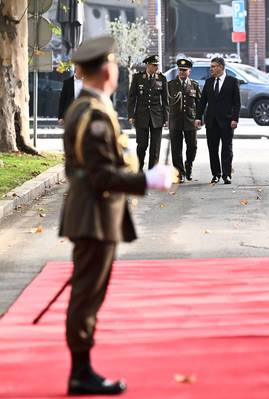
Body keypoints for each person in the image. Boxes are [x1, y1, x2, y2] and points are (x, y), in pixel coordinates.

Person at [59, 36, 173, 395]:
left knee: (89, 291)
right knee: (87, 295)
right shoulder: (92, 113)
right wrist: (147, 180)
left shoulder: (91, 106)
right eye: (115, 66)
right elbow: (101, 175)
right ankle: (80, 372)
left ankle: (82, 368)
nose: (118, 72)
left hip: (96, 213)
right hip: (93, 214)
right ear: (107, 71)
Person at [199, 57, 241, 185]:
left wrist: (235, 119)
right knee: (212, 149)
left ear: (221, 67)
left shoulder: (232, 81)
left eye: (214, 66)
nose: (211, 69)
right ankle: (215, 174)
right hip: (211, 122)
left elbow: (237, 103)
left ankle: (226, 174)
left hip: (227, 121)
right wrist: (197, 117)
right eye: (211, 66)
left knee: (227, 149)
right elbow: (202, 102)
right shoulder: (209, 82)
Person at [127, 55, 169, 171]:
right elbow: (132, 98)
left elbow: (165, 100)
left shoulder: (161, 78)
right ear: (148, 65)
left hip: (157, 116)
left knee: (155, 147)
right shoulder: (138, 78)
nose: (156, 67)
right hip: (141, 116)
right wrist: (131, 115)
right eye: (154, 65)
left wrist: (166, 118)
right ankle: (139, 169)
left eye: (157, 65)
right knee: (142, 145)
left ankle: (153, 171)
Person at [167, 58, 201, 183]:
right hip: (175, 120)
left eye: (184, 70)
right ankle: (179, 173)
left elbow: (199, 103)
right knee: (176, 148)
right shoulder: (170, 85)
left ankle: (189, 164)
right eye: (180, 70)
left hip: (190, 120)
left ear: (189, 71)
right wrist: (166, 119)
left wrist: (199, 119)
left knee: (192, 146)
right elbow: (165, 103)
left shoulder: (194, 85)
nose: (181, 72)